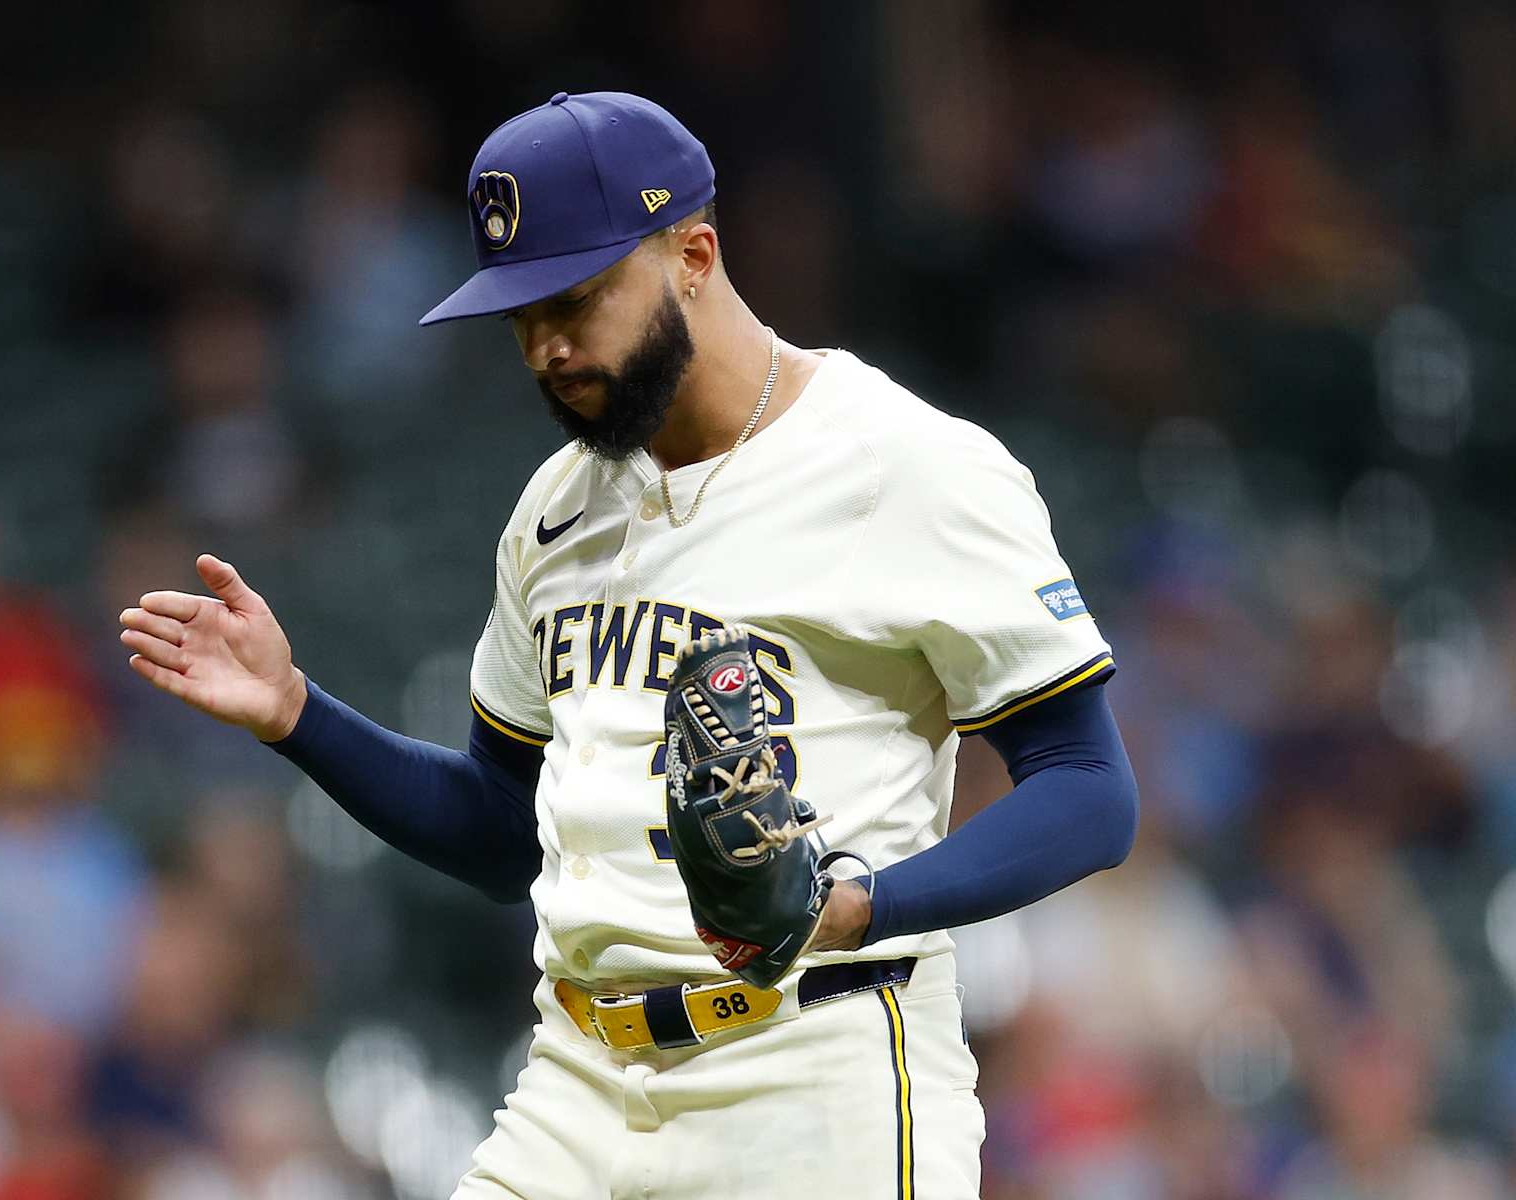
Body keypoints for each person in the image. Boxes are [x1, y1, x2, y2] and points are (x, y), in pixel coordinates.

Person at [119, 91, 1139, 1199]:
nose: (547, 348)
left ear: (694, 252)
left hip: (813, 1079)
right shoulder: (555, 510)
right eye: (518, 318)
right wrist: (298, 714)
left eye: (574, 300)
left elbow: (1089, 787)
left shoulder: (906, 464)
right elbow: (505, 832)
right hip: (577, 1080)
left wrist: (856, 904)